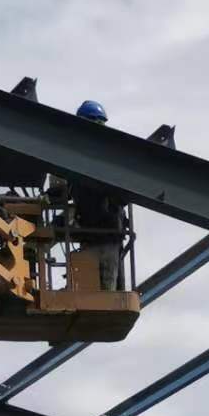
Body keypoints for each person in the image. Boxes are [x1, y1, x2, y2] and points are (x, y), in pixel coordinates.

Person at [68, 100, 125, 291]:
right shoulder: (75, 157)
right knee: (94, 292)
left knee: (104, 292)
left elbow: (122, 196)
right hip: (94, 234)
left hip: (105, 235)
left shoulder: (108, 156)